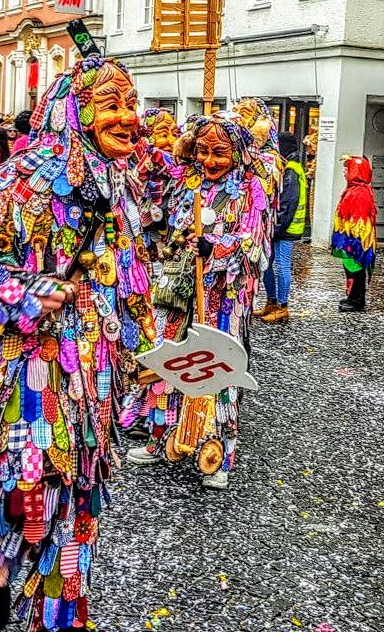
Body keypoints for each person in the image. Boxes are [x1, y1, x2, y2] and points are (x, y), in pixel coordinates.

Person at [0, 57, 152, 629]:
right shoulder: (22, 176)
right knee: (24, 479)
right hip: (34, 363)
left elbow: (131, 275)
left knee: (82, 490)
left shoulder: (122, 184)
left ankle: (60, 612)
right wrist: (26, 292)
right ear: (77, 110)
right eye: (111, 105)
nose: (127, 117)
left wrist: (146, 348)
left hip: (98, 371)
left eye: (130, 104)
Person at [126, 111, 275, 491]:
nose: (209, 160)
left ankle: (219, 454)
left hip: (223, 295)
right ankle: (160, 438)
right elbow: (163, 218)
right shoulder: (187, 181)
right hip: (179, 290)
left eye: (219, 153)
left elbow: (254, 245)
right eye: (203, 151)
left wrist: (216, 248)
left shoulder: (250, 188)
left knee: (218, 368)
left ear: (237, 152)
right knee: (166, 359)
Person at [260, 132, 308, 324]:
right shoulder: (289, 167)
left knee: (282, 265)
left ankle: (282, 306)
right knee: (267, 264)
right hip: (279, 227)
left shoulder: (291, 170)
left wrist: (276, 229)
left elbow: (288, 203)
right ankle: (272, 302)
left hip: (285, 229)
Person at [332, 155, 378, 313]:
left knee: (356, 269)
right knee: (351, 267)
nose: (344, 173)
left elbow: (359, 222)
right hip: (350, 238)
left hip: (355, 240)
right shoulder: (355, 190)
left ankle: (356, 300)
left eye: (347, 169)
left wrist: (353, 242)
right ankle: (353, 297)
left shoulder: (359, 193)